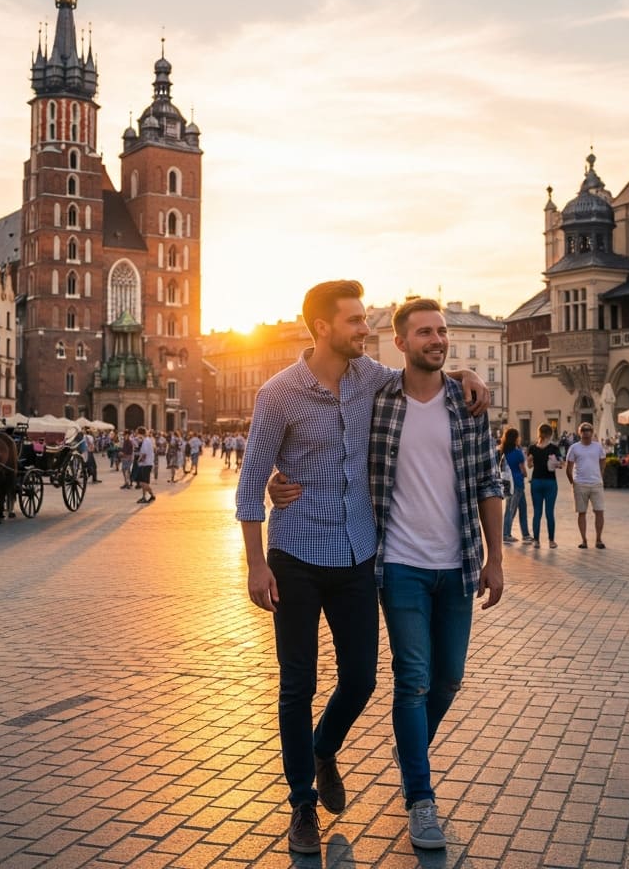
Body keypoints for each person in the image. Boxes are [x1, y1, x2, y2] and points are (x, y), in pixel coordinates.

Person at [236, 279, 488, 855]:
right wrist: (256, 566)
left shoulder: (371, 380)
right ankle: (302, 804)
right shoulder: (278, 394)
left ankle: (324, 748)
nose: (365, 329)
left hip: (357, 554)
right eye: (354, 321)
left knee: (363, 679)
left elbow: (424, 378)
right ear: (323, 328)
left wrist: (467, 379)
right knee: (296, 684)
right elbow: (252, 485)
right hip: (294, 554)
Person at [368, 299, 504, 849]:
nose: (438, 339)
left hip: (458, 563)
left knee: (448, 679)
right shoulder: (377, 400)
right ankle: (420, 799)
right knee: (414, 679)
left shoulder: (466, 402)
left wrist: (496, 557)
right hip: (399, 564)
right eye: (425, 331)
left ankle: (411, 744)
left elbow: (490, 483)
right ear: (400, 342)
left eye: (443, 331)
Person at [565, 422, 606, 549]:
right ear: (580, 432)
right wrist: (573, 482)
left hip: (596, 484)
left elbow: (603, 461)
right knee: (581, 512)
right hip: (580, 484)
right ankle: (584, 540)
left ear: (592, 432)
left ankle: (598, 539)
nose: (586, 432)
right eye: (583, 430)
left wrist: (600, 476)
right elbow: (569, 467)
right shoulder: (574, 448)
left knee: (599, 511)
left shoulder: (598, 447)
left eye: (588, 430)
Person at [527, 423, 562, 548]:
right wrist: (554, 463)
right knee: (549, 512)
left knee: (537, 512)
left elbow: (530, 464)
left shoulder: (532, 448)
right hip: (550, 482)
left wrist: (532, 460)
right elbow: (561, 464)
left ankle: (536, 541)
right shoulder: (554, 448)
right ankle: (551, 541)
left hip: (536, 482)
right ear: (550, 434)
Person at [498, 427, 531, 544]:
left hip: (508, 483)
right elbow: (523, 470)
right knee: (510, 510)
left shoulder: (504, 451)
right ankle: (506, 534)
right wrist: (527, 476)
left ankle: (526, 534)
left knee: (522, 508)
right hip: (517, 484)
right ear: (516, 438)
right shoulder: (518, 452)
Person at [134, 427, 156, 504]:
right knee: (142, 482)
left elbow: (144, 455)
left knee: (143, 483)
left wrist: (138, 461)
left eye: (137, 433)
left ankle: (152, 495)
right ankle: (144, 497)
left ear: (140, 433)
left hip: (146, 464)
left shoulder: (146, 441)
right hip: (144, 464)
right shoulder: (145, 441)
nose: (136, 434)